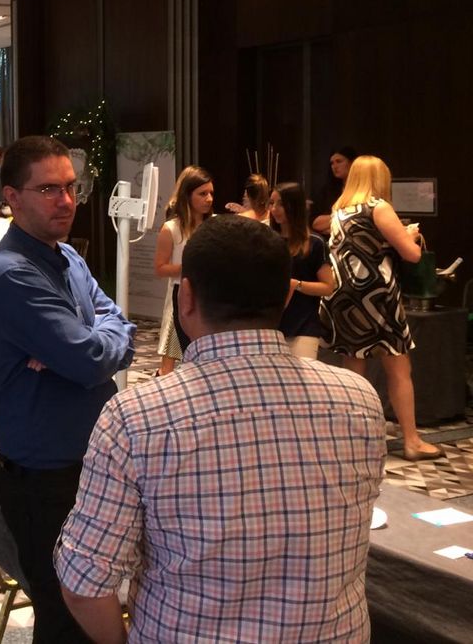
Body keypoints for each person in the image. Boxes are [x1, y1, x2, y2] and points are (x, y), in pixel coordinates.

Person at [55, 216, 386, 643]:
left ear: (186, 297)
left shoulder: (137, 418)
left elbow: (84, 583)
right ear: (287, 296)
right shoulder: (359, 398)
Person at [0, 136, 134, 644]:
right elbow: (90, 361)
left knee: (88, 605)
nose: (66, 200)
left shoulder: (67, 256)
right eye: (48, 189)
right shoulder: (10, 274)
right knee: (67, 619)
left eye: (70, 187)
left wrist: (91, 340)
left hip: (85, 464)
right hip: (45, 480)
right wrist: (90, 345)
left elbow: (118, 325)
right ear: (12, 197)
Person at [320, 155, 441, 461]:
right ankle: (412, 440)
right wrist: (410, 235)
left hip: (344, 298)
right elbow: (412, 255)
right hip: (377, 297)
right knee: (399, 367)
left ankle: (354, 440)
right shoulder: (378, 207)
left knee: (354, 369)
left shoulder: (339, 211)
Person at [153, 166, 213, 375]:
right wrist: (190, 266)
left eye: (211, 193)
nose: (209, 199)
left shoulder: (213, 225)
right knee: (169, 360)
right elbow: (160, 268)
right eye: (202, 194)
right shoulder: (171, 229)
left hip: (209, 296)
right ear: (187, 195)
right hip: (180, 295)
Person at [269, 181, 334, 359]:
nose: (274, 209)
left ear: (294, 206)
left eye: (281, 204)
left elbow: (328, 286)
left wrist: (296, 285)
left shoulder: (314, 243)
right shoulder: (268, 240)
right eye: (272, 203)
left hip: (303, 326)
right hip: (271, 326)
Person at [311, 145, 357, 234]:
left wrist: (330, 223)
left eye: (339, 161)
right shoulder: (327, 191)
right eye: (332, 163)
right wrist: (347, 217)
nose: (334, 166)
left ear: (352, 163)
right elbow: (315, 224)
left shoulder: (364, 190)